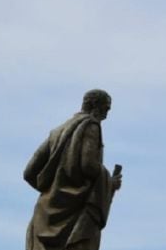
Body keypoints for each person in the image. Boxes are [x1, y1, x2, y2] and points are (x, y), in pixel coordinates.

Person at [24, 89, 123, 250]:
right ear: (94, 106)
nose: (107, 114)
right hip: (75, 217)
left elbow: (29, 173)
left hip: (42, 217)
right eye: (106, 108)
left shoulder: (57, 132)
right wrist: (109, 182)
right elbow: (88, 166)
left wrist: (52, 189)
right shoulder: (91, 126)